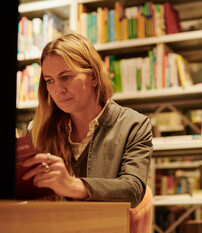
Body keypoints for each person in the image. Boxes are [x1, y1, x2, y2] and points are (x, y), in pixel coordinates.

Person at [21, 33, 153, 208]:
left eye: (66, 76)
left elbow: (133, 190)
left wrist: (72, 185)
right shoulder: (37, 130)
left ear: (94, 76)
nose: (58, 89)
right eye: (49, 80)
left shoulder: (133, 125)